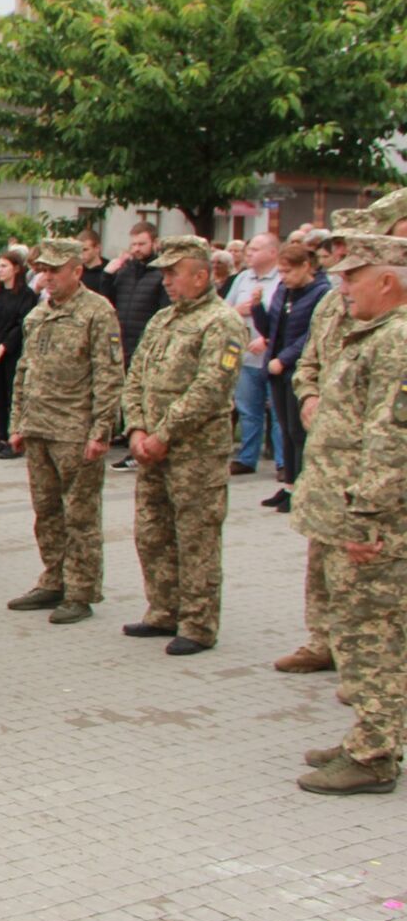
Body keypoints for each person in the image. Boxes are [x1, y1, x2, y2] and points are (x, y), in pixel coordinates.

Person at [289, 232, 407, 795]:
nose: (343, 287)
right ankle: (368, 734)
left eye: (354, 277)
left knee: (375, 640)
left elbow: (391, 443)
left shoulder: (397, 341)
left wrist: (366, 521)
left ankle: (375, 755)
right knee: (357, 638)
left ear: (387, 281)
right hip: (348, 515)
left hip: (374, 525)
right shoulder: (374, 335)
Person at [120, 236, 246, 654]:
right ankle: (163, 609)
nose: (167, 281)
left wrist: (163, 433)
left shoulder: (222, 322)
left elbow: (212, 387)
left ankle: (198, 622)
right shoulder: (162, 321)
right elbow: (135, 374)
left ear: (202, 275)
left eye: (174, 273)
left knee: (195, 537)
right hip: (152, 448)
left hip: (195, 452)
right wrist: (137, 428)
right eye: (165, 273)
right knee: (152, 533)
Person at [4, 239, 124, 625]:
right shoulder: (38, 315)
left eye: (56, 270)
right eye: (44, 270)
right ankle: (53, 579)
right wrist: (17, 422)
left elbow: (109, 375)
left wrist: (101, 430)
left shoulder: (97, 312)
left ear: (77, 270)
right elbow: (24, 371)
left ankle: (81, 590)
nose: (48, 277)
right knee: (47, 512)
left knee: (81, 516)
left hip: (75, 430)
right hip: (39, 427)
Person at [255, 241, 328, 513]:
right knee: (285, 430)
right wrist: (256, 309)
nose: (283, 277)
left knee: (299, 432)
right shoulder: (284, 291)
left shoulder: (321, 293)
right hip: (276, 370)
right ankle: (288, 486)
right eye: (281, 271)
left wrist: (284, 359)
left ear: (306, 267)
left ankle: (302, 487)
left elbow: (310, 335)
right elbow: (271, 329)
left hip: (297, 371)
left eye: (288, 271)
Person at [104, 222, 170, 469]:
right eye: (133, 244)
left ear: (154, 242)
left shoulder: (160, 273)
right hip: (124, 340)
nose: (137, 249)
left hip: (146, 343)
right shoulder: (127, 271)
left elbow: (163, 311)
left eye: (142, 243)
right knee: (128, 395)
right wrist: (108, 275)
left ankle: (141, 446)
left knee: (145, 397)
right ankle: (129, 435)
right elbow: (107, 301)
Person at [225, 233, 284, 477]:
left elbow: (287, 319)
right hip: (246, 357)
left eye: (256, 249)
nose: (250, 253)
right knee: (249, 410)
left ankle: (283, 461)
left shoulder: (282, 279)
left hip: (272, 358)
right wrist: (238, 310)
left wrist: (268, 339)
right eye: (248, 249)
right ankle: (247, 458)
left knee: (279, 413)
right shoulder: (242, 278)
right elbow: (225, 310)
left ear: (273, 252)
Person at [0, 251, 34, 458]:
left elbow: (22, 325)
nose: (0, 271)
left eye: (4, 266)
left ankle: (15, 439)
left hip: (12, 350)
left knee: (13, 394)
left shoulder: (26, 295)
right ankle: (1, 437)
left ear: (16, 268)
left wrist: (4, 346)